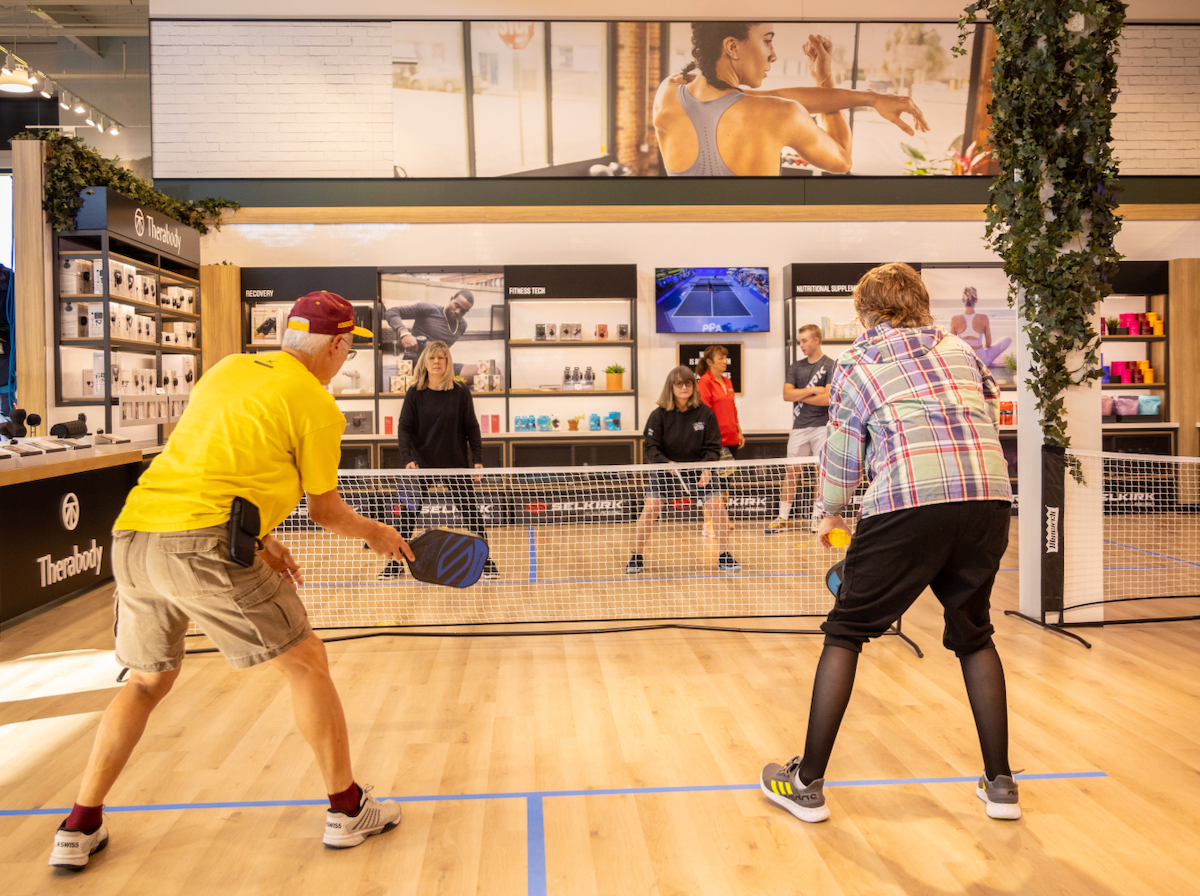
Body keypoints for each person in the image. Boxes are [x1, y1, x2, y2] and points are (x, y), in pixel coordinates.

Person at [49, 292, 413, 871]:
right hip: (203, 545)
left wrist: (264, 541)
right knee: (306, 662)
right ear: (339, 344)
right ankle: (347, 811)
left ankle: (78, 825)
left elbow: (215, 462)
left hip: (136, 536)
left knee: (145, 682)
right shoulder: (318, 405)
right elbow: (325, 510)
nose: (346, 358)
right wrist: (377, 534)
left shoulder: (229, 368)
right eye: (348, 348)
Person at [760, 263, 1018, 825]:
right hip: (988, 498)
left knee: (846, 631)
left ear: (866, 312)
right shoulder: (960, 349)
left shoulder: (857, 360)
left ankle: (804, 782)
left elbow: (843, 460)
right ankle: (1000, 784)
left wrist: (829, 511)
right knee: (975, 634)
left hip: (908, 501)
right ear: (921, 303)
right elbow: (991, 410)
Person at [653, 23, 929, 176]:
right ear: (732, 47)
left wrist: (871, 98)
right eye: (767, 41)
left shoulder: (668, 92)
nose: (773, 55)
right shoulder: (780, 113)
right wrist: (828, 82)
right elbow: (842, 161)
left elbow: (751, 98)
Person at [379, 340, 499, 581]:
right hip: (420, 467)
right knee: (407, 515)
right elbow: (404, 428)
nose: (436, 362)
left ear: (448, 362)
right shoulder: (414, 392)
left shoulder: (461, 391)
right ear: (425, 361)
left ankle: (485, 561)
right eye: (432, 358)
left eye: (441, 358)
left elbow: (472, 427)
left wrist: (477, 459)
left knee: (471, 514)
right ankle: (395, 564)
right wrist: (407, 460)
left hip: (455, 465)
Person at [627, 366, 740, 575]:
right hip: (667, 470)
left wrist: (707, 467)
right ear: (671, 387)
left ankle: (724, 555)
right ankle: (637, 556)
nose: (684, 387)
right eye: (679, 383)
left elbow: (713, 446)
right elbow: (651, 446)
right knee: (650, 509)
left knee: (718, 509)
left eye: (688, 383)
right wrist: (665, 463)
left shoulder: (706, 413)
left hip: (699, 470)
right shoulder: (658, 415)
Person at [765, 324, 834, 534]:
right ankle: (783, 517)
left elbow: (828, 398)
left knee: (820, 473)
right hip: (799, 428)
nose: (801, 345)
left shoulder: (831, 364)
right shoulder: (796, 367)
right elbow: (787, 395)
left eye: (804, 340)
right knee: (791, 473)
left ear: (816, 340)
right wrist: (814, 389)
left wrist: (801, 393)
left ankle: (817, 518)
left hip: (822, 426)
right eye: (799, 341)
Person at [695, 345, 744, 538]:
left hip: (731, 437)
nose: (725, 361)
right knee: (711, 484)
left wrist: (739, 430)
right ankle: (709, 523)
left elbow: (732, 408)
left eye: (725, 358)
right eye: (720, 358)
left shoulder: (727, 381)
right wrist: (711, 438)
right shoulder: (704, 382)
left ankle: (721, 518)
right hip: (715, 441)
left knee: (725, 482)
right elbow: (705, 413)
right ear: (709, 362)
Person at [382, 289, 474, 363]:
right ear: (451, 299)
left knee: (474, 371)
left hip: (439, 365)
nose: (458, 312)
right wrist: (404, 333)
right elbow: (391, 312)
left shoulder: (462, 325)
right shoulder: (428, 309)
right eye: (456, 305)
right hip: (415, 361)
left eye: (463, 311)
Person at [950, 286, 1013, 368]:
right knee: (1008, 339)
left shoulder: (955, 319)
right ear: (976, 300)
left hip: (964, 360)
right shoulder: (984, 318)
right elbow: (988, 343)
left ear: (963, 300)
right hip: (982, 361)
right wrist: (981, 348)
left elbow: (952, 344)